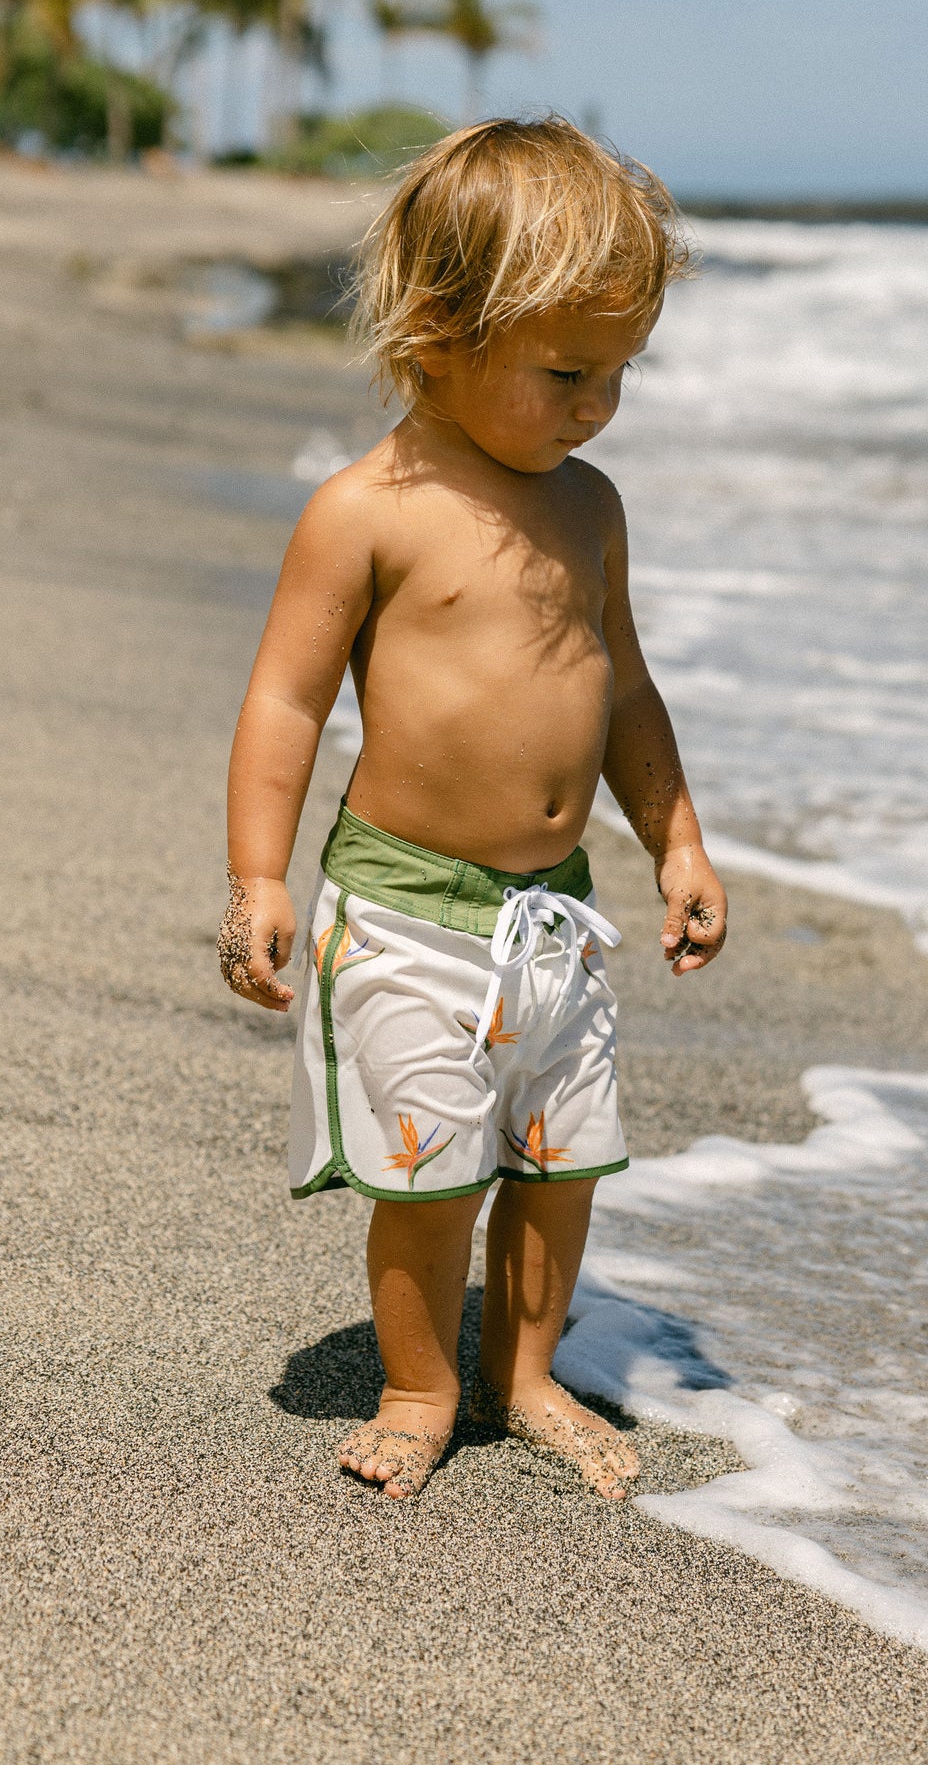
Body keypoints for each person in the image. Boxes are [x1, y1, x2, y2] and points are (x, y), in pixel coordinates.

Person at [219, 116, 727, 1501]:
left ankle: (522, 1372)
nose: (596, 405)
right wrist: (259, 878)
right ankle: (419, 1384)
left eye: (618, 373)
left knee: (562, 1160)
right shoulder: (365, 510)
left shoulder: (591, 507)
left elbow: (619, 689)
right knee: (428, 1168)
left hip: (554, 918)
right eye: (568, 370)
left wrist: (673, 836)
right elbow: (283, 706)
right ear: (440, 331)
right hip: (403, 909)